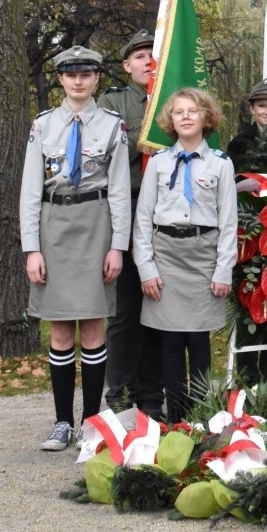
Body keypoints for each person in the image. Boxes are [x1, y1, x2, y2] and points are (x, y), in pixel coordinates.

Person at [20, 45, 131, 450]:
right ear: (61, 79)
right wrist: (32, 248)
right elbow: (30, 191)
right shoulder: (43, 125)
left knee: (94, 325)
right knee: (61, 327)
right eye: (71, 75)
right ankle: (62, 422)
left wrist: (118, 245)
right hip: (53, 228)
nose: (78, 81)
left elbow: (119, 190)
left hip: (96, 226)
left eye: (86, 74)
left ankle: (90, 422)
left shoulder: (112, 126)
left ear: (97, 78)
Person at [133, 88, 237, 423]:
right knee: (171, 340)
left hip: (204, 257)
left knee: (198, 339)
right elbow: (143, 219)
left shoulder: (221, 164)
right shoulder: (159, 163)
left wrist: (223, 270)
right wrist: (146, 268)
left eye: (193, 110)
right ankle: (176, 417)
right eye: (179, 112)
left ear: (206, 117)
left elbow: (228, 222)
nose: (186, 117)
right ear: (171, 120)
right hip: (166, 257)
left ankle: (202, 417)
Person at [97, 29, 163, 418]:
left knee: (157, 305)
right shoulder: (112, 102)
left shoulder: (175, 98)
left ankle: (152, 397)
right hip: (127, 207)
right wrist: (154, 129)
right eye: (140, 56)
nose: (148, 61)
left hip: (165, 213)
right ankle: (119, 395)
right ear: (126, 65)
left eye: (153, 54)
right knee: (125, 310)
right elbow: (109, 152)